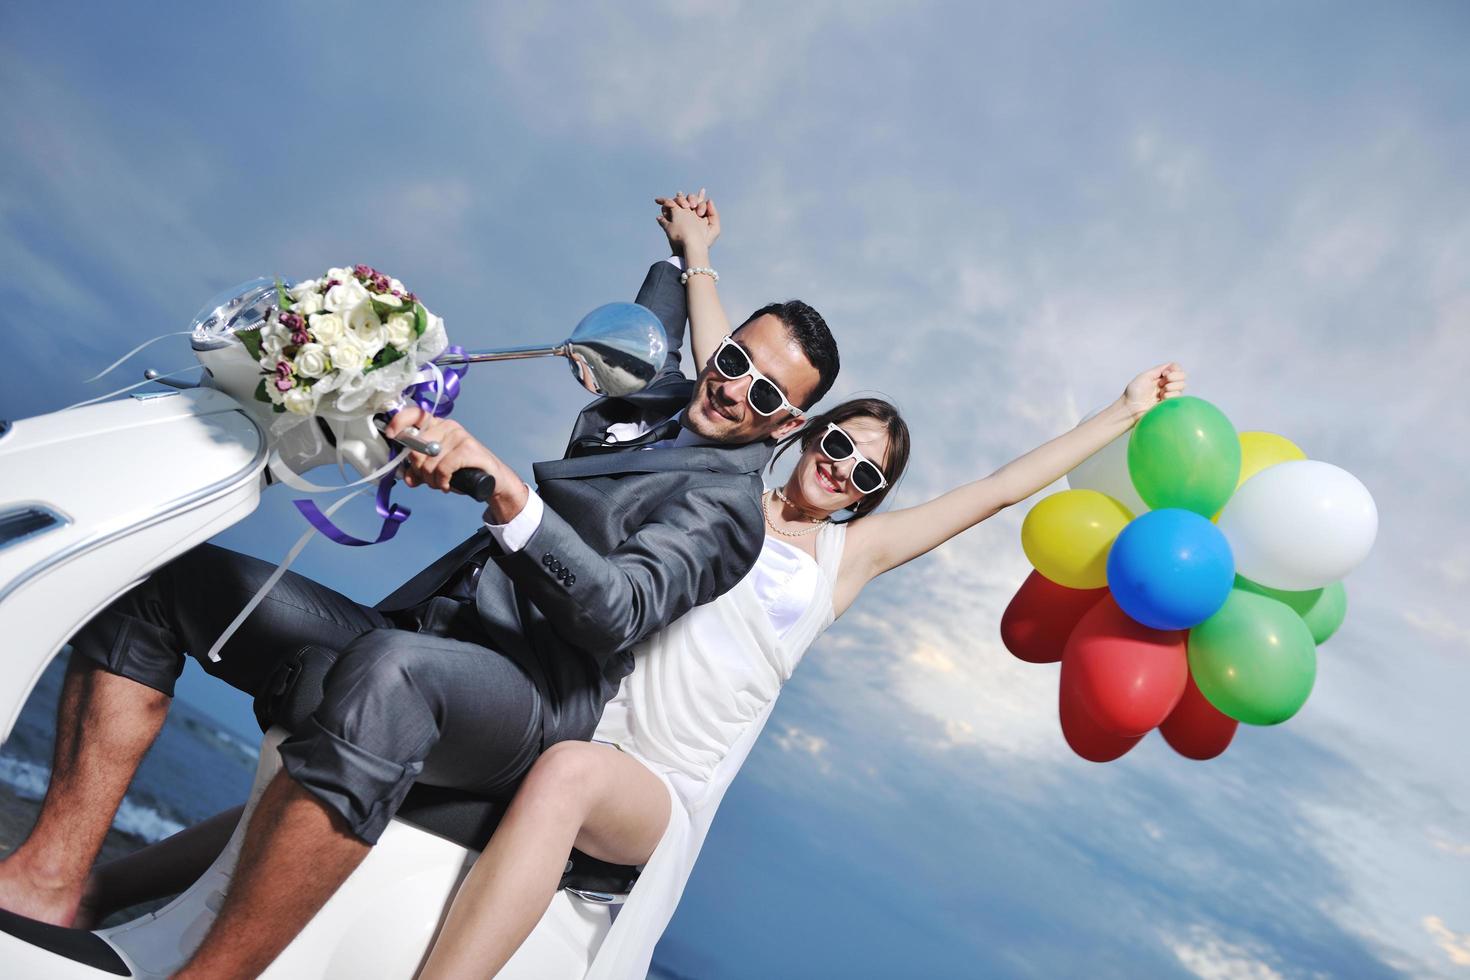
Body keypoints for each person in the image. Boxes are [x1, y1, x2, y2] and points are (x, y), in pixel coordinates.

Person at [0, 211, 841, 979]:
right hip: (423, 630)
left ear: (783, 426)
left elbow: (618, 609)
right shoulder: (658, 393)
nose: (733, 389)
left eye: (765, 394)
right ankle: (50, 881)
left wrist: (510, 495)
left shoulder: (726, 510)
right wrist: (684, 247)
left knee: (395, 673)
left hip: (529, 699)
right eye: (733, 360)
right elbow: (645, 328)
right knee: (177, 583)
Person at [410, 191, 1189, 979]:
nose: (842, 468)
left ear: (865, 496)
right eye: (840, 443)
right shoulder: (723, 489)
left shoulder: (847, 557)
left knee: (567, 775)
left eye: (865, 474)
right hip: (586, 713)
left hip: (660, 785)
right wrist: (697, 249)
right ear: (803, 428)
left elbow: (996, 489)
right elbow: (731, 357)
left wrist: (1121, 411)